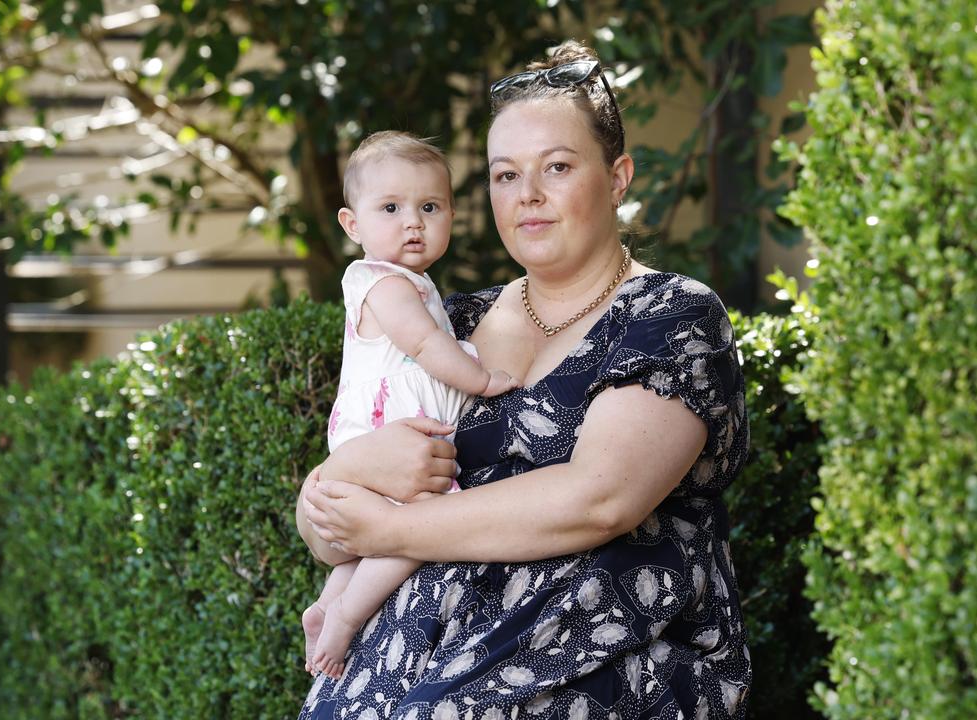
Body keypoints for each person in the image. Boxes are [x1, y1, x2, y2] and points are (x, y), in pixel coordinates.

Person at [296, 40, 751, 719]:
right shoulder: (447, 323)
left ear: (619, 175)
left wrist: (389, 531)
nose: (528, 196)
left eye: (558, 167)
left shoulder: (670, 314)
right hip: (412, 657)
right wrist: (339, 480)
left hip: (601, 655)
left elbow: (598, 500)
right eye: (505, 176)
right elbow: (332, 532)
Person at [300, 131, 519, 679]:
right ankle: (348, 617)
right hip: (387, 431)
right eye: (391, 208)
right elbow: (424, 345)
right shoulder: (384, 283)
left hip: (385, 429)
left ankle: (327, 606)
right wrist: (482, 378)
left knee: (380, 530)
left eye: (429, 207)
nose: (413, 222)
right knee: (419, 523)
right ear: (353, 225)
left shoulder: (413, 284)